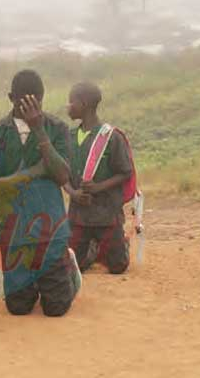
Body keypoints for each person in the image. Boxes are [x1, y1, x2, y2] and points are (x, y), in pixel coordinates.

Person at [0, 69, 80, 317]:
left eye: (35, 102)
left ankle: (68, 270)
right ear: (10, 98)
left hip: (50, 228)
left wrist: (39, 131)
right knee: (18, 308)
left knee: (56, 309)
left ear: (42, 99)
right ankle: (33, 282)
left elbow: (62, 176)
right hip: (13, 231)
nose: (30, 108)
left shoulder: (56, 128)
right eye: (23, 102)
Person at [64, 82, 133, 274]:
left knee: (117, 267)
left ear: (84, 104)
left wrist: (98, 187)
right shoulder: (68, 137)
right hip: (78, 216)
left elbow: (125, 172)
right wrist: (73, 193)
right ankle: (93, 249)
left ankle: (119, 244)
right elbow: (62, 175)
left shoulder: (111, 137)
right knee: (73, 266)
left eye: (71, 102)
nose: (67, 107)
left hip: (106, 214)